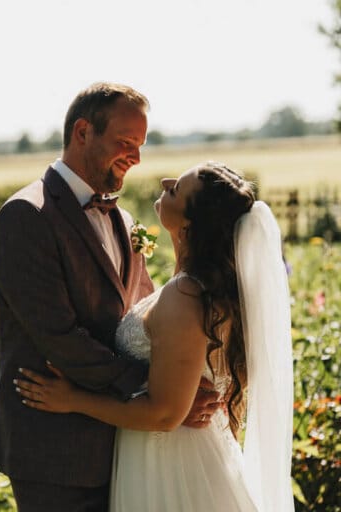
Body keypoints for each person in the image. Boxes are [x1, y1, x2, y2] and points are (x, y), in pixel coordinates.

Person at [0, 82, 220, 511]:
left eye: (141, 144)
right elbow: (60, 337)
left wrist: (179, 388)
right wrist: (155, 392)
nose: (137, 157)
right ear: (83, 132)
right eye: (126, 141)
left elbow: (144, 324)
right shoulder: (26, 216)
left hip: (125, 442)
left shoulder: (124, 219)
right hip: (56, 448)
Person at [15, 162, 294, 511]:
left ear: (191, 224)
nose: (166, 180)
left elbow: (163, 414)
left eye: (177, 188)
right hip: (183, 450)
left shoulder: (186, 295)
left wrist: (73, 399)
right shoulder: (207, 291)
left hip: (172, 463)